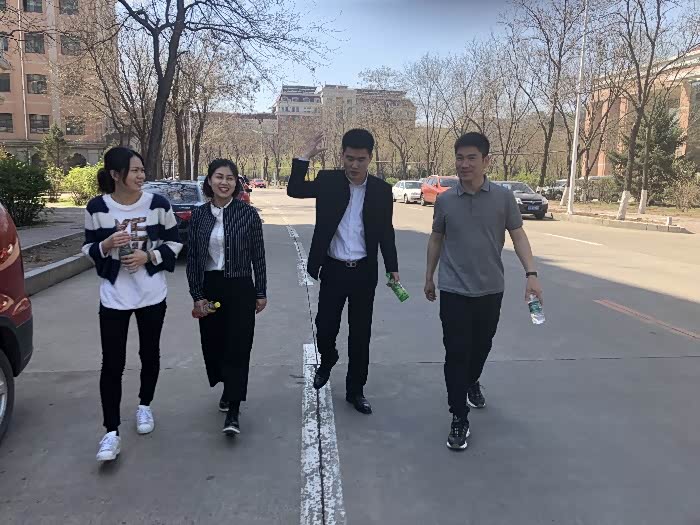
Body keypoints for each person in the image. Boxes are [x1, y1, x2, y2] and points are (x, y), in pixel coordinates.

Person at [424, 132, 543, 451]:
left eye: (471, 158)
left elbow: (518, 236)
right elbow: (436, 238)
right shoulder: (445, 200)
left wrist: (531, 274)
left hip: (490, 289)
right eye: (459, 158)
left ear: (486, 161)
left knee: (481, 346)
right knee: (456, 352)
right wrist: (429, 276)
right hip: (453, 289)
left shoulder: (503, 198)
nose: (464, 164)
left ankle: (471, 380)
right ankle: (458, 416)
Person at [287, 129, 399, 415]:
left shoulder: (381, 191)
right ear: (342, 156)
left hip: (364, 272)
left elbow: (386, 232)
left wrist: (392, 267)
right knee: (325, 326)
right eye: (349, 158)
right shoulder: (328, 181)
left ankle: (355, 391)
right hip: (334, 269)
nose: (354, 165)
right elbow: (294, 189)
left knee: (360, 335)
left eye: (361, 159)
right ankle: (328, 357)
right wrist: (305, 156)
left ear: (370, 158)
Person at [82, 147, 182, 462]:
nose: (141, 176)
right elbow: (87, 249)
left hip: (151, 294)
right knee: (112, 363)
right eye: (134, 170)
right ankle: (111, 432)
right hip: (114, 296)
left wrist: (147, 256)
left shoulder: (158, 204)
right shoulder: (97, 207)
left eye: (142, 170)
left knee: (149, 354)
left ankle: (144, 406)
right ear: (115, 174)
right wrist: (105, 244)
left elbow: (175, 242)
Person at [186, 159, 267, 436]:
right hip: (211, 287)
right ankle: (226, 386)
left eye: (230, 178)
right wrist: (197, 295)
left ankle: (233, 409)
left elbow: (258, 255)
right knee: (214, 344)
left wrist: (261, 291)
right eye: (219, 177)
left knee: (239, 346)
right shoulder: (199, 215)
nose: (224, 182)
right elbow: (193, 259)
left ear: (236, 183)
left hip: (240, 287)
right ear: (209, 181)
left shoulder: (248, 214)